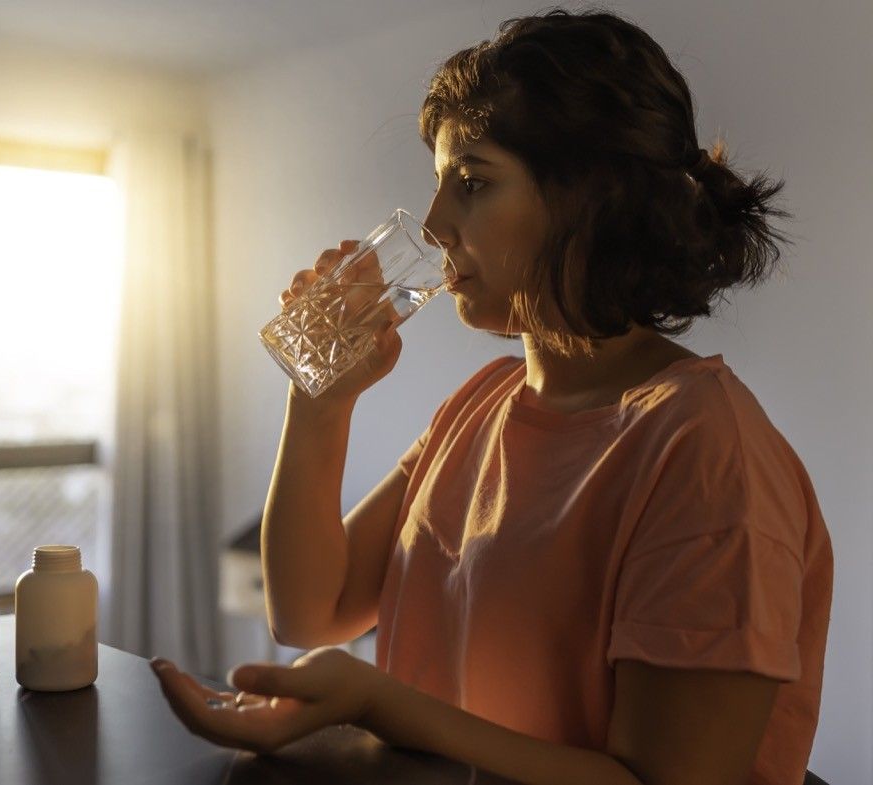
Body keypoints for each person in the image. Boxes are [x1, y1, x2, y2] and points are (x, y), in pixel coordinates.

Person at [149, 8, 832, 785]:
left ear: (593, 197)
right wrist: (320, 400)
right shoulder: (482, 403)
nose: (436, 223)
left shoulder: (704, 451)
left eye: (472, 182)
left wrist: (377, 702)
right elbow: (309, 610)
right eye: (439, 185)